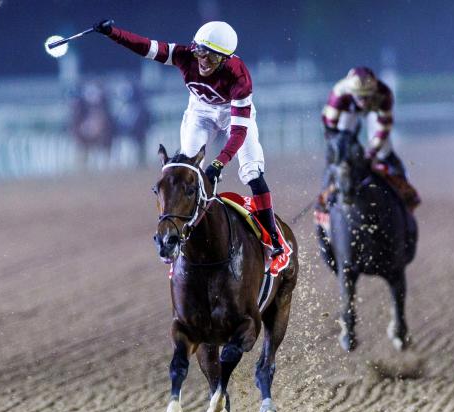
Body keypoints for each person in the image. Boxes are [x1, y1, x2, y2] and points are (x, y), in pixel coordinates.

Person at [94, 18, 284, 259]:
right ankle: (180, 235)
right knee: (187, 171)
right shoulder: (186, 55)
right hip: (200, 112)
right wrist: (112, 33)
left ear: (225, 59)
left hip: (231, 114)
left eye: (212, 57)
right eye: (201, 53)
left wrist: (219, 162)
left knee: (252, 174)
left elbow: (238, 132)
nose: (203, 61)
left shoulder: (239, 77)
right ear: (195, 48)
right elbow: (147, 47)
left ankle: (272, 238)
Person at [320, 67, 419, 211]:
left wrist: (370, 155)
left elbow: (383, 128)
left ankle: (402, 184)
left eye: (367, 96)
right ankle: (325, 193)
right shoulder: (339, 93)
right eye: (360, 97)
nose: (364, 101)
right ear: (351, 92)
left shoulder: (384, 93)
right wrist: (341, 151)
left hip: (374, 112)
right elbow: (330, 128)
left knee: (384, 151)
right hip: (347, 113)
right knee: (341, 150)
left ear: (374, 91)